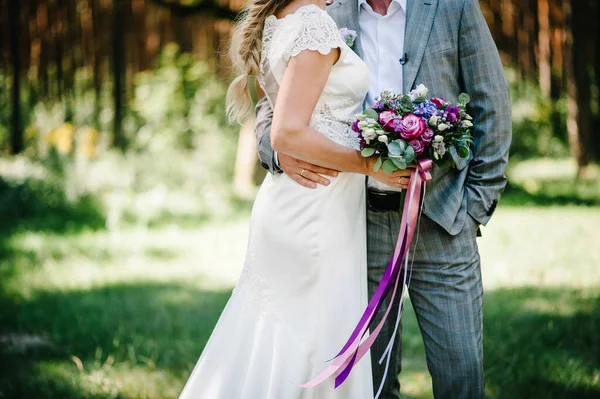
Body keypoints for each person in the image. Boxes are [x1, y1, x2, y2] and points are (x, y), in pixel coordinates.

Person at [255, 0, 512, 397]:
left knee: (461, 373)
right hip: (358, 227)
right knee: (369, 382)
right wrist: (277, 155)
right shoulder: (325, 10)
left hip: (443, 223)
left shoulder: (453, 7)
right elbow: (273, 102)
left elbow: (491, 102)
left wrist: (475, 208)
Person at [178, 0, 409, 397]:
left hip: (304, 202)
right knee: (309, 340)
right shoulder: (313, 25)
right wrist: (370, 165)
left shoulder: (286, 20)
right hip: (313, 211)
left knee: (283, 335)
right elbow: (286, 133)